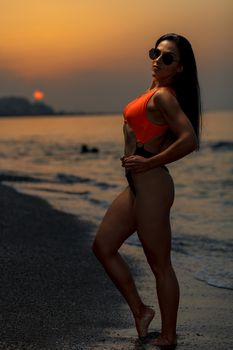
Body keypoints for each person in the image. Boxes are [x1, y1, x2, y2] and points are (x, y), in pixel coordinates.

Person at [92, 33, 201, 348]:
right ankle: (141, 311)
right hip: (137, 186)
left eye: (168, 58)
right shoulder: (151, 93)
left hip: (153, 185)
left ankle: (168, 335)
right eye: (156, 53)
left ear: (179, 68)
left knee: (160, 264)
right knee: (103, 246)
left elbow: (190, 140)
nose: (158, 60)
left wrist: (151, 161)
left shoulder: (165, 96)